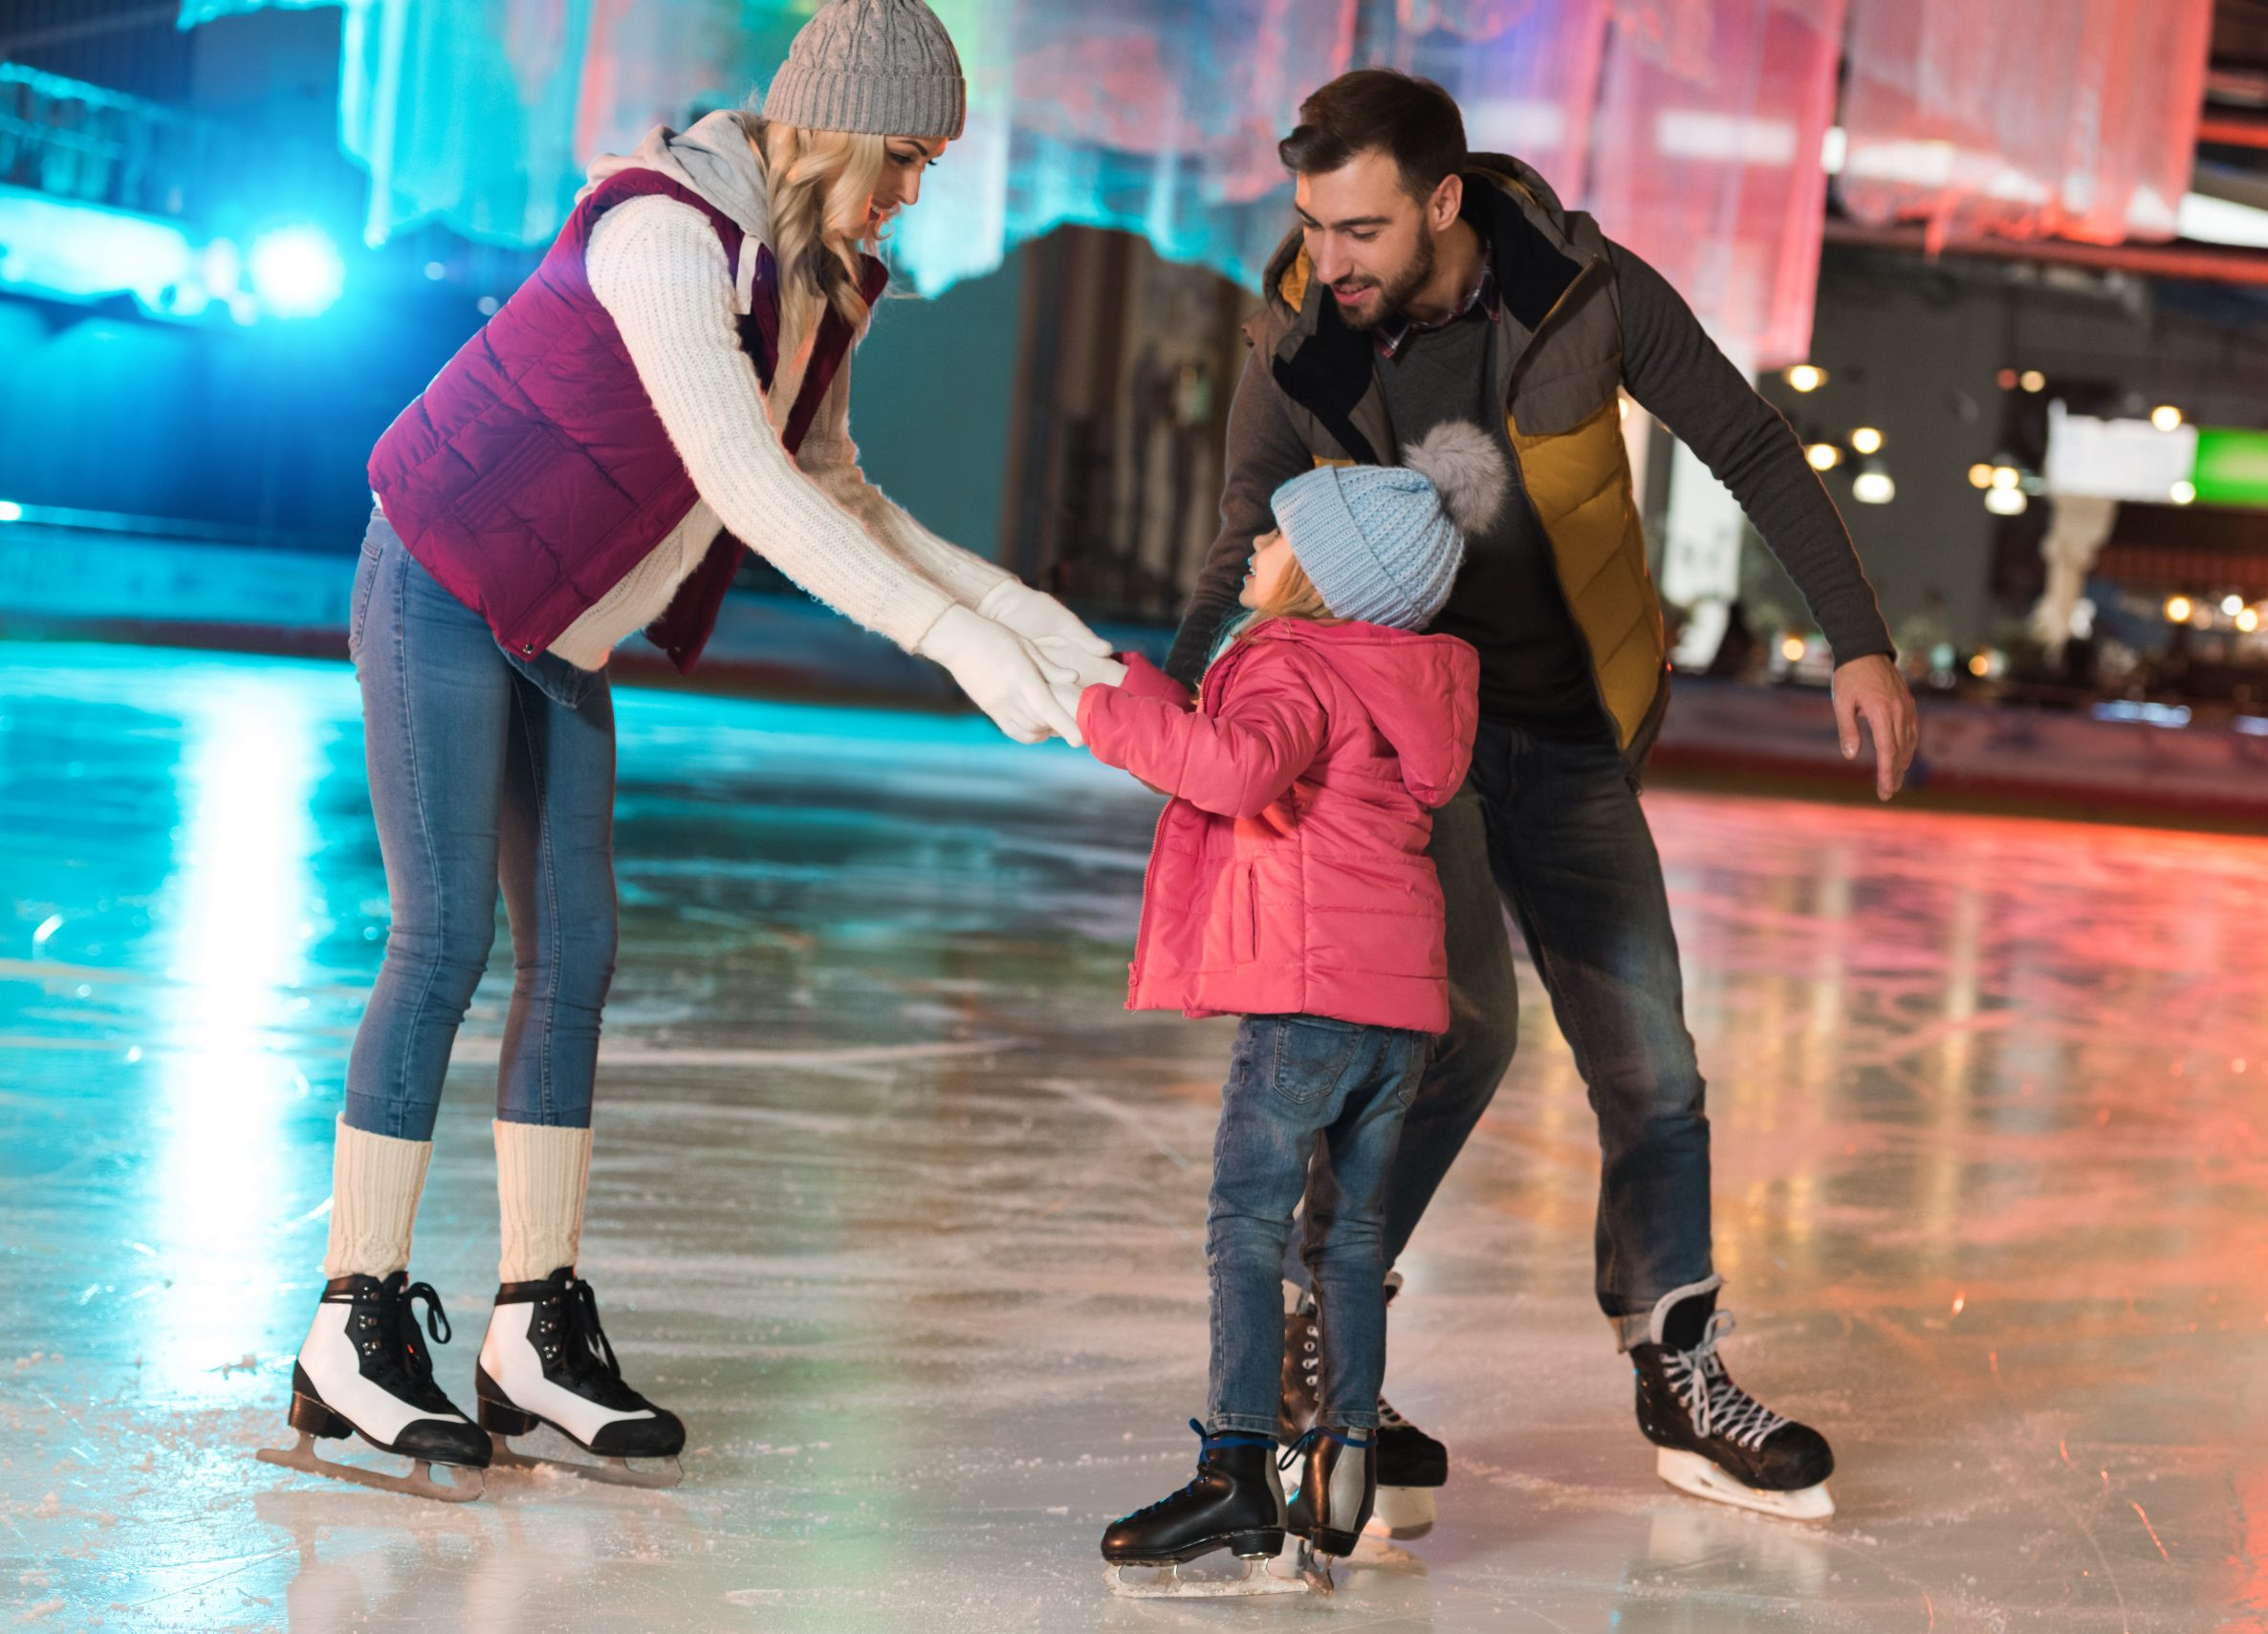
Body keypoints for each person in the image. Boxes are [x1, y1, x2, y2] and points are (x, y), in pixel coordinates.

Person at [265, 0, 1119, 1501]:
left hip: (564, 622)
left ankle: (532, 1327)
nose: (910, 190)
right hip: (446, 574)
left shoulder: (829, 279)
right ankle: (353, 1320)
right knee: (446, 934)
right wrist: (953, 643)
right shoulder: (664, 232)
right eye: (903, 156)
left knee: (577, 951)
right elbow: (741, 478)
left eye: (929, 165)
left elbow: (834, 485)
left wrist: (1023, 616)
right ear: (834, 126)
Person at [1167, 70, 1921, 1526]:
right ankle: (1329, 1337)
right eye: (1314, 225)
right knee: (1461, 1035)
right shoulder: (1301, 333)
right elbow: (1242, 531)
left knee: (1655, 1067)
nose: (1331, 258)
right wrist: (1191, 705)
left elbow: (1749, 442)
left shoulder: (1582, 289)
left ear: (1445, 201)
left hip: (1571, 734)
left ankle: (1678, 1368)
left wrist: (1860, 642)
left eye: (1363, 228)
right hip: (1410, 750)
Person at [1079, 425, 1494, 1592]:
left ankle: (1237, 1467)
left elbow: (1236, 769)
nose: (1254, 545)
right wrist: (1152, 689)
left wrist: (1104, 715)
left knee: (1245, 1226)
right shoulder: (1403, 675)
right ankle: (1344, 1457)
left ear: (1322, 570)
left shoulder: (1294, 659)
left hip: (1306, 996)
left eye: (1276, 534)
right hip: (1397, 1003)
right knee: (1348, 1239)